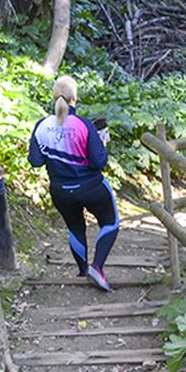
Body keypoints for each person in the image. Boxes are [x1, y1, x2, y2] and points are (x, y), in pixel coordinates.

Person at [27, 75, 119, 291]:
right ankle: (97, 267)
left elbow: (35, 161)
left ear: (54, 97)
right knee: (110, 223)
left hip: (60, 190)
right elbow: (100, 162)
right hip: (92, 187)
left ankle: (81, 271)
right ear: (74, 98)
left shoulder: (42, 126)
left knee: (75, 228)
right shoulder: (83, 125)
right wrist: (102, 142)